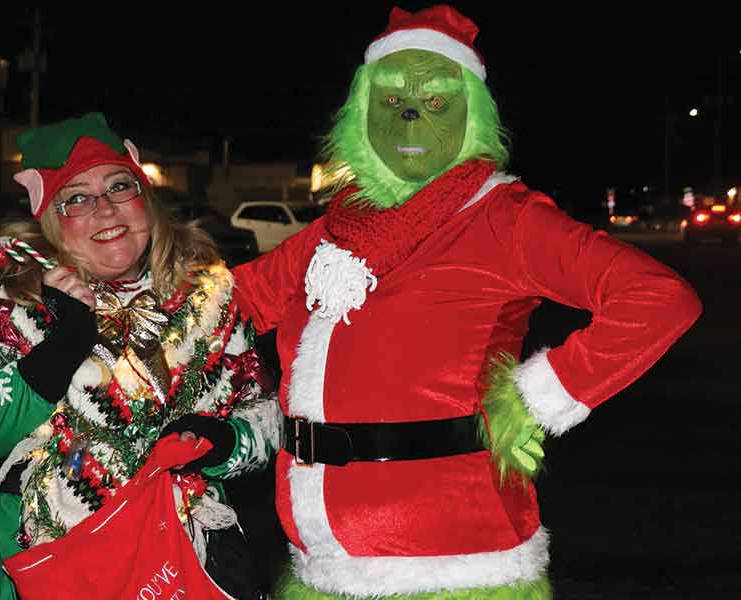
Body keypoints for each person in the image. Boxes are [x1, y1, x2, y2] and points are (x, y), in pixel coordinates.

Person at [230, 6, 701, 600]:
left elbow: (658, 298)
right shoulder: (334, 230)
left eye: (436, 101)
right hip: (322, 564)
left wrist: (538, 395)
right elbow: (230, 302)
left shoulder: (504, 217)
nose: (409, 114)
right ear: (361, 111)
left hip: (459, 564)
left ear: (471, 114)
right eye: (393, 97)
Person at [0, 113, 280, 600]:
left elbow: (264, 419)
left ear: (144, 196)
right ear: (49, 217)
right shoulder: (8, 292)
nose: (106, 210)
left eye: (119, 187)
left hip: (170, 558)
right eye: (77, 198)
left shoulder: (205, 295)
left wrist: (221, 442)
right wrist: (64, 345)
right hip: (25, 556)